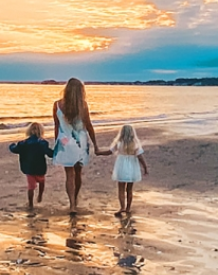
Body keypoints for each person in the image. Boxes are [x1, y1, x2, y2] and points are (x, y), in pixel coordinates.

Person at [52, 78, 101, 213]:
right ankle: (75, 198)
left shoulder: (57, 105)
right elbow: (89, 126)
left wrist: (57, 144)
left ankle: (72, 204)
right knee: (78, 173)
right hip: (80, 142)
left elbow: (57, 127)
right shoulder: (83, 105)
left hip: (65, 142)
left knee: (69, 174)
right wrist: (95, 145)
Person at [9, 122, 53, 208]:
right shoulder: (43, 143)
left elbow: (15, 149)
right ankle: (40, 195)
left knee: (31, 187)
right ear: (41, 131)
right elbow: (49, 153)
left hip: (29, 168)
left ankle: (30, 203)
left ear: (28, 131)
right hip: (40, 168)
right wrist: (56, 152)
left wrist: (11, 145)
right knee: (42, 182)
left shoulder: (23, 143)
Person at [108, 124, 148, 216]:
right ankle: (128, 208)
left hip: (121, 166)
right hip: (132, 167)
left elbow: (110, 151)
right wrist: (145, 167)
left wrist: (99, 152)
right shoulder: (135, 144)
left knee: (121, 189)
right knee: (129, 189)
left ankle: (122, 207)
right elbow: (140, 157)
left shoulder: (119, 143)